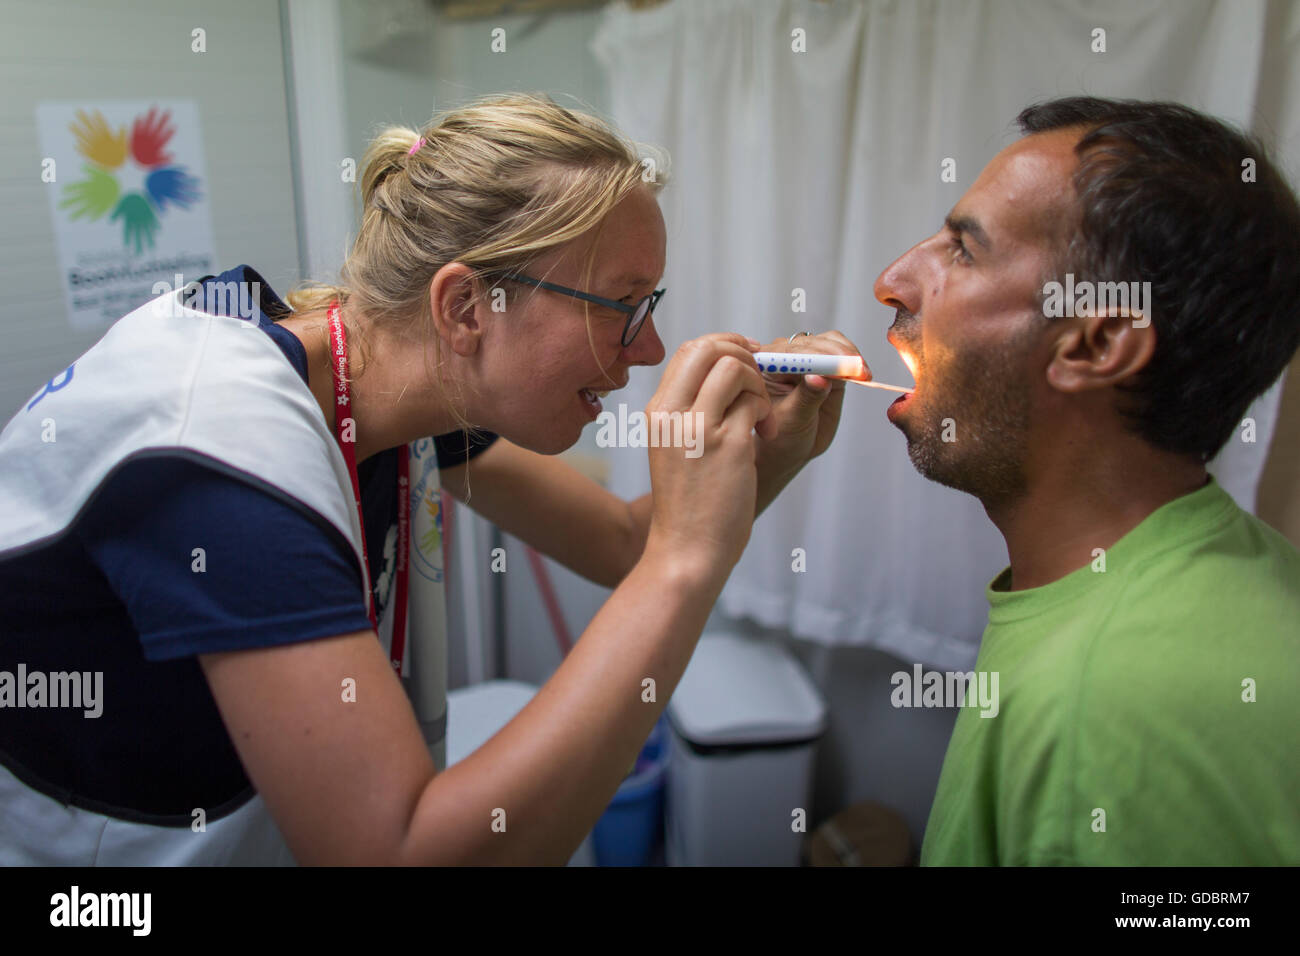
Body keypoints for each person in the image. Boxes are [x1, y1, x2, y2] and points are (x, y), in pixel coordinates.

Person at [0, 94, 860, 865]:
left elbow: (623, 542)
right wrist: (687, 561)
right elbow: (397, 853)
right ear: (463, 309)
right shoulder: (218, 456)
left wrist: (770, 455)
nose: (650, 350)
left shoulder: (385, 384)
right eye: (621, 307)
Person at [872, 96, 1300, 865]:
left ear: (1098, 341)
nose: (893, 280)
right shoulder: (1219, 573)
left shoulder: (1116, 706)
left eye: (964, 252)